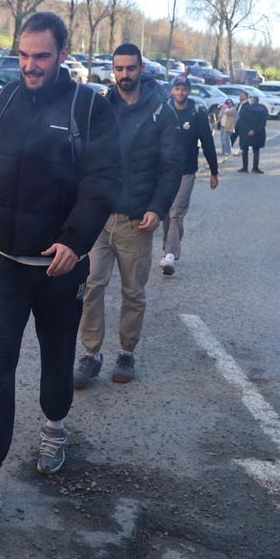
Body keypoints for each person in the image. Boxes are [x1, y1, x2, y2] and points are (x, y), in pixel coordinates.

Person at [0, 12, 120, 515]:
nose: (30, 66)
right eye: (23, 56)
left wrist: (76, 241)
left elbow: (102, 182)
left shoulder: (89, 107)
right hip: (5, 264)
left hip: (59, 266)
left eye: (41, 57)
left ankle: (55, 426)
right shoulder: (3, 100)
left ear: (63, 54)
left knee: (56, 357)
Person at [74, 43, 181, 390]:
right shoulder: (102, 106)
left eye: (130, 68)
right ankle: (90, 355)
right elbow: (86, 156)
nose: (124, 75)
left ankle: (126, 353)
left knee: (133, 292)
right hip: (100, 218)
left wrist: (157, 208)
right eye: (118, 69)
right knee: (91, 286)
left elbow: (171, 166)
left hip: (137, 220)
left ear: (141, 69)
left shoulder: (160, 112)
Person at [158, 77, 219, 277]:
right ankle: (169, 246)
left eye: (184, 89)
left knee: (176, 212)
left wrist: (214, 171)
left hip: (186, 171)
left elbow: (208, 143)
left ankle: (170, 254)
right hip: (163, 171)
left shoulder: (197, 114)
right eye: (177, 88)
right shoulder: (164, 111)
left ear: (189, 92)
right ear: (172, 91)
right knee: (165, 212)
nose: (181, 92)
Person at [235, 91, 267, 173]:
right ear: (258, 101)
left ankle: (245, 167)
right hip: (258, 133)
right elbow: (263, 123)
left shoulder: (245, 109)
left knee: (245, 150)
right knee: (256, 151)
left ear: (252, 101)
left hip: (245, 132)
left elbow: (242, 121)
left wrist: (248, 130)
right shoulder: (263, 109)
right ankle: (255, 168)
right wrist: (254, 130)